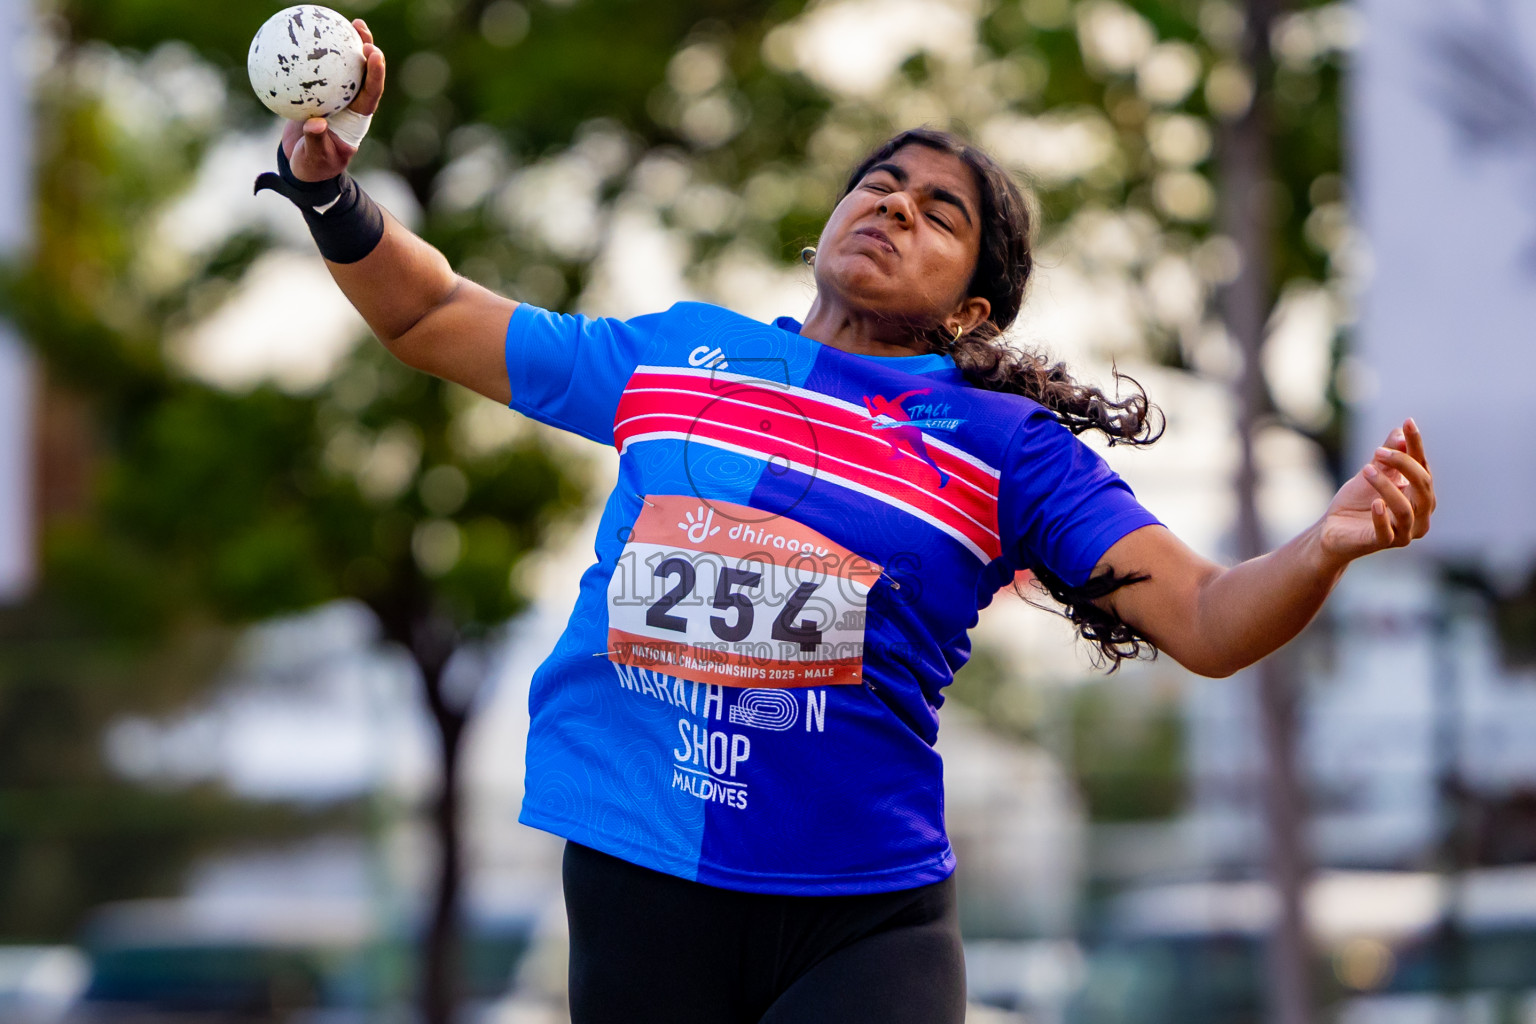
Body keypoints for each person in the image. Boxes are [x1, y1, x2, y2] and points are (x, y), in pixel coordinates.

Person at [256, 22, 1436, 1024]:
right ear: (824, 223)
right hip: (641, 867)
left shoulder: (1005, 446)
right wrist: (329, 185)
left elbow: (1210, 619)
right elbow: (430, 315)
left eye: (939, 212)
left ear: (971, 304)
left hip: (862, 913)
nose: (895, 206)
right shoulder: (680, 353)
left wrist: (1323, 544)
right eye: (880, 183)